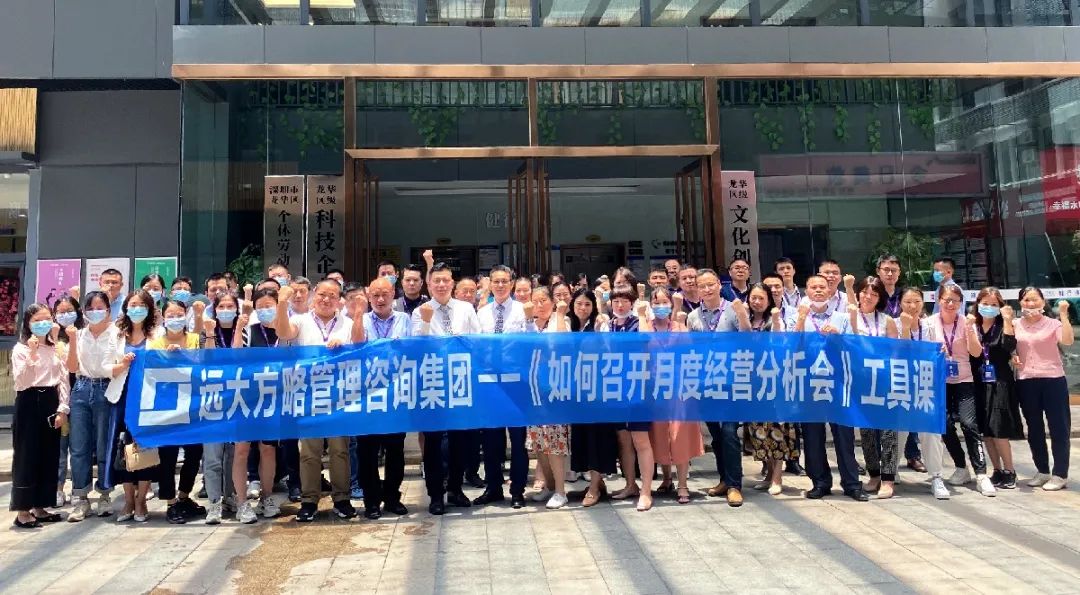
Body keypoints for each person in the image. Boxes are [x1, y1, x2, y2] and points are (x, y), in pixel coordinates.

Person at [274, 280, 365, 522]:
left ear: (339, 299)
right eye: (322, 294)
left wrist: (356, 318)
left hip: (339, 395)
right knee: (309, 451)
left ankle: (342, 498)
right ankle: (309, 500)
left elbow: (359, 343)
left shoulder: (346, 322)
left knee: (340, 449)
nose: (326, 299)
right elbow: (283, 333)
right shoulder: (301, 320)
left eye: (332, 296)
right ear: (314, 295)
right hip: (309, 394)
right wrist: (281, 304)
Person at [790, 275, 868, 502]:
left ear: (830, 291)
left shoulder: (842, 318)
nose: (818, 291)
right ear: (806, 292)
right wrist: (800, 319)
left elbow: (854, 348)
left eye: (822, 287)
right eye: (813, 287)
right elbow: (790, 347)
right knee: (812, 436)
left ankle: (852, 484)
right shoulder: (797, 316)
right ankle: (820, 482)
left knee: (844, 435)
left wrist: (838, 337)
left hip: (838, 383)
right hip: (809, 383)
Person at [412, 262, 481, 515]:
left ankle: (455, 489)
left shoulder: (466, 308)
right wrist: (426, 322)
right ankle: (435, 494)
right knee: (433, 442)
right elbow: (416, 346)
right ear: (429, 285)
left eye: (445, 280)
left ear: (452, 283)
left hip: (460, 381)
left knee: (459, 440)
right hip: (433, 383)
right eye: (436, 281)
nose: (441, 285)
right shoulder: (420, 311)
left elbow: (477, 340)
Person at [475, 265, 534, 509]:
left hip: (516, 382)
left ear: (511, 284)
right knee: (491, 441)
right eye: (496, 281)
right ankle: (494, 488)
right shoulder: (482, 313)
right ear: (490, 284)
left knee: (518, 440)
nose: (500, 285)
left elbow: (532, 341)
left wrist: (529, 320)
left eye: (504, 281)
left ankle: (518, 490)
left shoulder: (523, 310)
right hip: (490, 384)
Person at [928, 283, 994, 496]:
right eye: (946, 300)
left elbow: (976, 353)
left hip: (964, 380)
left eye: (955, 301)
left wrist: (970, 331)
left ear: (960, 303)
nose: (950, 304)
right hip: (939, 382)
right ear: (939, 301)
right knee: (945, 424)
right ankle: (961, 466)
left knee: (969, 423)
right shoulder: (929, 323)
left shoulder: (967, 322)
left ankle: (981, 474)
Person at [151, 299, 213, 524]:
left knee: (194, 453)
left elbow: (206, 363)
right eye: (171, 315)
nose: (175, 319)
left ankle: (184, 496)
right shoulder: (156, 344)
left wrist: (184, 355)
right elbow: (152, 372)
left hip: (193, 404)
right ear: (163, 317)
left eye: (179, 315)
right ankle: (170, 502)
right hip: (167, 405)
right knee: (167, 455)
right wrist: (168, 359)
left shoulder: (196, 339)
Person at [10, 303, 71, 528]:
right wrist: (33, 353)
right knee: (27, 455)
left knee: (49, 454)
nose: (43, 324)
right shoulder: (21, 349)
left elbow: (63, 379)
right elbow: (22, 381)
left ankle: (41, 506)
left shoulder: (55, 348)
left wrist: (62, 408)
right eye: (37, 320)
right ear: (28, 323)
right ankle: (23, 511)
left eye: (47, 319)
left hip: (50, 401)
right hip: (28, 401)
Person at [686, 268, 743, 507]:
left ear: (719, 285)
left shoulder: (734, 310)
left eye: (711, 284)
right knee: (717, 435)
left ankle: (735, 485)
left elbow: (748, 339)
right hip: (705, 383)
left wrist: (743, 315)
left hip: (731, 381)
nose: (707, 289)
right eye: (702, 286)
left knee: (729, 432)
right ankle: (724, 480)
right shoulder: (693, 317)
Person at [356, 277, 411, 518]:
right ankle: (371, 501)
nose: (380, 299)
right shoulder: (362, 319)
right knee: (367, 452)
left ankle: (392, 498)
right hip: (366, 396)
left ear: (393, 295)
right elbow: (356, 345)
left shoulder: (404, 319)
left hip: (396, 395)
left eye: (385, 294)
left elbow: (413, 350)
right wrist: (358, 315)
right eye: (375, 295)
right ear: (369, 297)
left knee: (395, 450)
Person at [644, 287, 702, 505]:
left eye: (664, 302)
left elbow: (687, 351)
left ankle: (683, 483)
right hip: (654, 389)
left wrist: (677, 312)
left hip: (678, 388)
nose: (661, 306)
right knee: (659, 433)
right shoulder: (645, 326)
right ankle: (666, 478)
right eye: (656, 302)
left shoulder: (679, 326)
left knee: (680, 434)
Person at [104, 290, 158, 522]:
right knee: (123, 446)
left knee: (144, 445)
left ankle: (141, 499)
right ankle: (127, 500)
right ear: (126, 308)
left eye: (141, 305)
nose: (136, 309)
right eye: (132, 305)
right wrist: (122, 365)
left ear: (149, 309)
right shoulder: (116, 334)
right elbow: (106, 367)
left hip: (147, 398)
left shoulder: (157, 334)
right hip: (122, 397)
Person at [735, 284, 795, 496]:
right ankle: (769, 474)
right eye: (753, 297)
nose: (757, 302)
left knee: (777, 429)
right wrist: (741, 314)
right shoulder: (747, 319)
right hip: (752, 382)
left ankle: (778, 477)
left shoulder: (775, 319)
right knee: (759, 431)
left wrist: (777, 320)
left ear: (769, 300)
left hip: (774, 381)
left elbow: (780, 341)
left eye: (761, 298)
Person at [601, 286, 657, 511]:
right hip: (616, 388)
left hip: (638, 387)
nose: (620, 305)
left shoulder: (639, 322)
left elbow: (646, 340)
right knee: (624, 441)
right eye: (616, 301)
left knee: (641, 440)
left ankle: (646, 491)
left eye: (625, 301)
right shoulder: (608, 325)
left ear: (632, 303)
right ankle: (630, 484)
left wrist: (642, 315)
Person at [64, 291, 117, 521]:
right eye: (91, 308)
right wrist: (72, 340)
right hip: (82, 388)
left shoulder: (117, 333)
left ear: (108, 310)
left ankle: (105, 495)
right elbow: (71, 367)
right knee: (79, 446)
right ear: (84, 312)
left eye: (100, 307)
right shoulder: (79, 334)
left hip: (106, 388)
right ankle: (81, 498)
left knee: (104, 444)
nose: (96, 312)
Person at [1014, 288, 1073, 491]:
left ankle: (1060, 474)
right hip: (1026, 380)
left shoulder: (1052, 323)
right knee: (1034, 428)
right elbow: (1009, 347)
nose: (1030, 304)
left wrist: (1063, 315)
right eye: (1026, 300)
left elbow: (1067, 340)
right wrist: (1012, 357)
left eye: (1034, 300)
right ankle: (1042, 470)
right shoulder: (1015, 324)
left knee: (1059, 427)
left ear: (1042, 301)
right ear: (1020, 302)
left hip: (1052, 380)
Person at [847, 277, 900, 498]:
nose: (869, 297)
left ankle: (888, 478)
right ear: (858, 294)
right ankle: (874, 474)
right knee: (866, 431)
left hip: (884, 380)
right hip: (861, 380)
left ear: (880, 298)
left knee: (888, 431)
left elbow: (895, 351)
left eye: (874, 294)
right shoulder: (849, 316)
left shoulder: (887, 320)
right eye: (865, 292)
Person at [232, 287, 282, 523]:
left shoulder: (286, 331)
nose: (265, 311)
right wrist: (239, 327)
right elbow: (235, 356)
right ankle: (242, 503)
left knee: (268, 449)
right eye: (260, 307)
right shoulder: (250, 330)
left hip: (274, 397)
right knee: (242, 449)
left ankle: (267, 497)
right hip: (247, 397)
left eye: (269, 306)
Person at [897, 288, 950, 500]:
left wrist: (942, 351)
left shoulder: (931, 325)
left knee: (931, 431)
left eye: (917, 301)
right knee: (898, 430)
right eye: (907, 301)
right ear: (900, 303)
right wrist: (906, 328)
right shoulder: (892, 323)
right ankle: (890, 471)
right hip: (900, 383)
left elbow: (939, 349)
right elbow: (901, 352)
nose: (912, 306)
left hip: (925, 383)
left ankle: (936, 476)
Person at [567, 288, 617, 506]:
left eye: (587, 304)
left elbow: (609, 349)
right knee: (583, 437)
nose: (583, 308)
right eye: (579, 303)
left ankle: (595, 487)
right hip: (577, 391)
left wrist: (598, 333)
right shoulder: (568, 324)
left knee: (598, 437)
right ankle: (596, 483)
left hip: (598, 390)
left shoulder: (600, 323)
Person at [971, 288, 1024, 490]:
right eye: (985, 303)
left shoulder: (1004, 325)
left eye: (994, 304)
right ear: (978, 304)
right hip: (979, 382)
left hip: (1000, 382)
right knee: (986, 431)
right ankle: (997, 470)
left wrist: (1008, 319)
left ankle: (1010, 471)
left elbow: (1009, 346)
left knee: (999, 429)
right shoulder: (972, 325)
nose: (989, 307)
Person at [877, 255, 925, 472]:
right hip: (881, 360)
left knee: (908, 407)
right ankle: (885, 457)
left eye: (894, 270)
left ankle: (913, 455)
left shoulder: (905, 295)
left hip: (906, 360)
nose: (890, 273)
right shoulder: (873, 293)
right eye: (886, 269)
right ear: (878, 271)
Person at [525, 285, 571, 510]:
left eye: (544, 300)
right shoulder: (529, 324)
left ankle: (561, 491)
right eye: (535, 300)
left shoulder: (561, 320)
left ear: (553, 302)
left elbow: (562, 345)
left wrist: (560, 314)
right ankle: (550, 487)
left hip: (554, 390)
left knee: (555, 443)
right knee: (538, 443)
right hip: (533, 391)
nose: (539, 305)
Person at [202, 292, 241, 524]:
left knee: (234, 455)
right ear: (214, 310)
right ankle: (214, 502)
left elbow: (239, 357)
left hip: (238, 399)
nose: (226, 310)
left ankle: (231, 496)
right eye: (221, 306)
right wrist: (209, 333)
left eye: (230, 306)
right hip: (212, 399)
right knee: (213, 455)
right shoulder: (206, 331)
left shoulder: (244, 329)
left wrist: (239, 328)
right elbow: (208, 360)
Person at [51, 296, 79, 509]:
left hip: (79, 394)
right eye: (61, 311)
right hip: (58, 398)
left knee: (79, 447)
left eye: (70, 310)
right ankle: (58, 488)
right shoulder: (50, 338)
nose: (66, 315)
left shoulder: (84, 334)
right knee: (59, 447)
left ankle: (79, 489)